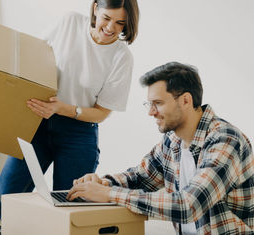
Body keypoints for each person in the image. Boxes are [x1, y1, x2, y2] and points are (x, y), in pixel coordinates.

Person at [0, 0, 140, 220]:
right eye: (107, 18)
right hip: (37, 124)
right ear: (95, 9)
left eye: (120, 23)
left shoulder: (122, 57)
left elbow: (101, 113)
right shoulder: (70, 23)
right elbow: (28, 52)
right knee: (3, 202)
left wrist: (62, 108)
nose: (111, 28)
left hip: (77, 134)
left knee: (68, 210)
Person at [67, 62, 254, 234]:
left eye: (158, 103)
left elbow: (189, 206)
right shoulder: (173, 140)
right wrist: (102, 183)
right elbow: (140, 177)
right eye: (150, 104)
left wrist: (109, 194)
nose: (150, 112)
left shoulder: (225, 140)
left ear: (186, 101)